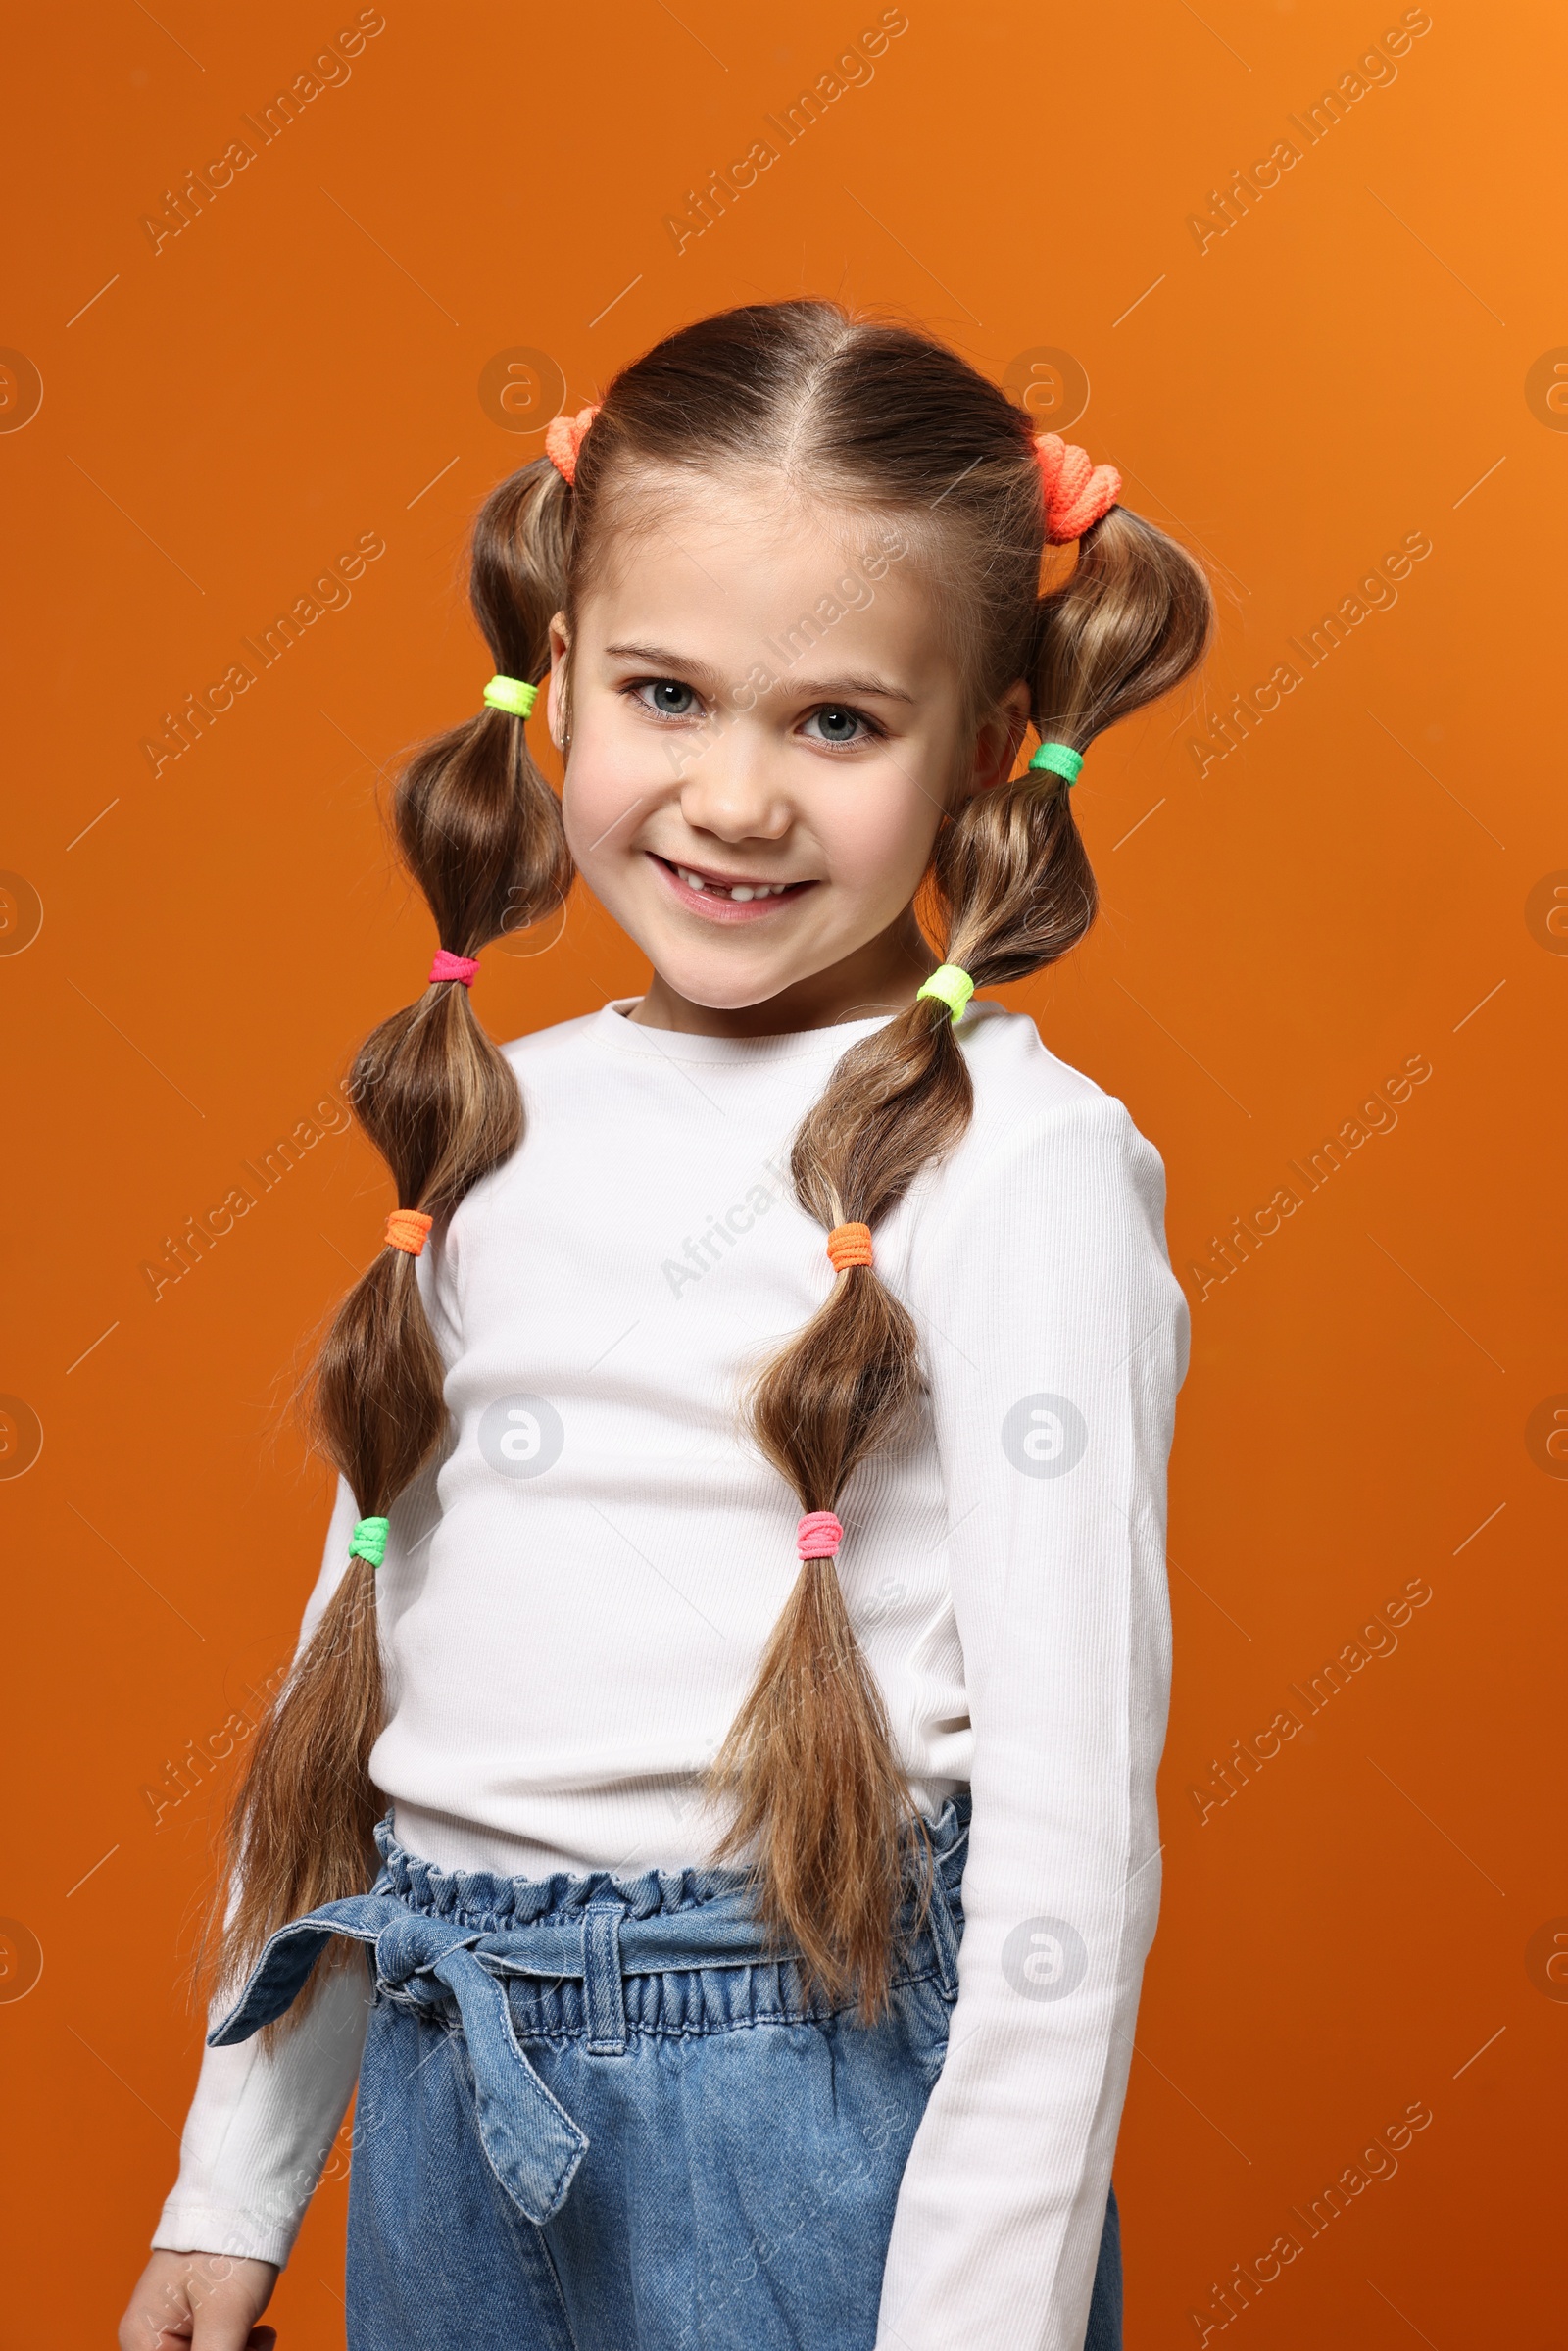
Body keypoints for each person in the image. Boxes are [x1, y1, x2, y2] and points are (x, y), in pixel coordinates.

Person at [119, 298, 1211, 2351]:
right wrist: (237, 2171)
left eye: (833, 723)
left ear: (984, 744)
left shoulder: (1024, 1166)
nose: (730, 798)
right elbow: (359, 1681)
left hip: (802, 2120)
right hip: (452, 2094)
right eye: (663, 693)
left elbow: (1071, 1836)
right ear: (551, 680)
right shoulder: (496, 1113)